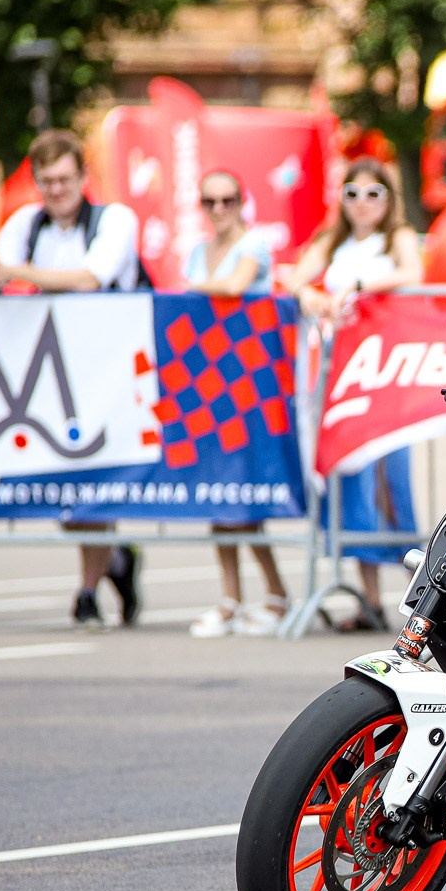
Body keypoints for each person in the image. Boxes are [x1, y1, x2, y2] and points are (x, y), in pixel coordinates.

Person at [0, 129, 145, 630]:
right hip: (49, 374)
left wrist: (17, 272)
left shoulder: (114, 220)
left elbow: (91, 278)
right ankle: (115, 558)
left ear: (83, 177)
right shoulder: (26, 225)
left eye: (65, 180)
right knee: (62, 485)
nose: (56, 190)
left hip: (109, 373)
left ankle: (88, 590)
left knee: (94, 479)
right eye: (47, 181)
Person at [282, 158, 424, 631]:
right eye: (352, 193)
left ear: (388, 199)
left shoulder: (397, 237)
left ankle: (423, 604)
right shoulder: (332, 240)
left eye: (373, 193)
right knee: (354, 484)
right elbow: (296, 277)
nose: (362, 203)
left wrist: (359, 287)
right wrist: (309, 294)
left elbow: (413, 273)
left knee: (391, 484)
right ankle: (370, 599)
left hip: (384, 374)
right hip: (343, 376)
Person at [174, 168, 288, 637]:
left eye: (227, 200)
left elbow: (233, 287)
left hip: (249, 381)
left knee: (244, 498)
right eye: (210, 201)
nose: (219, 210)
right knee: (219, 495)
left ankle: (275, 593)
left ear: (241, 202)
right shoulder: (198, 251)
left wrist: (188, 288)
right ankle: (231, 598)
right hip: (209, 382)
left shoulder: (253, 244)